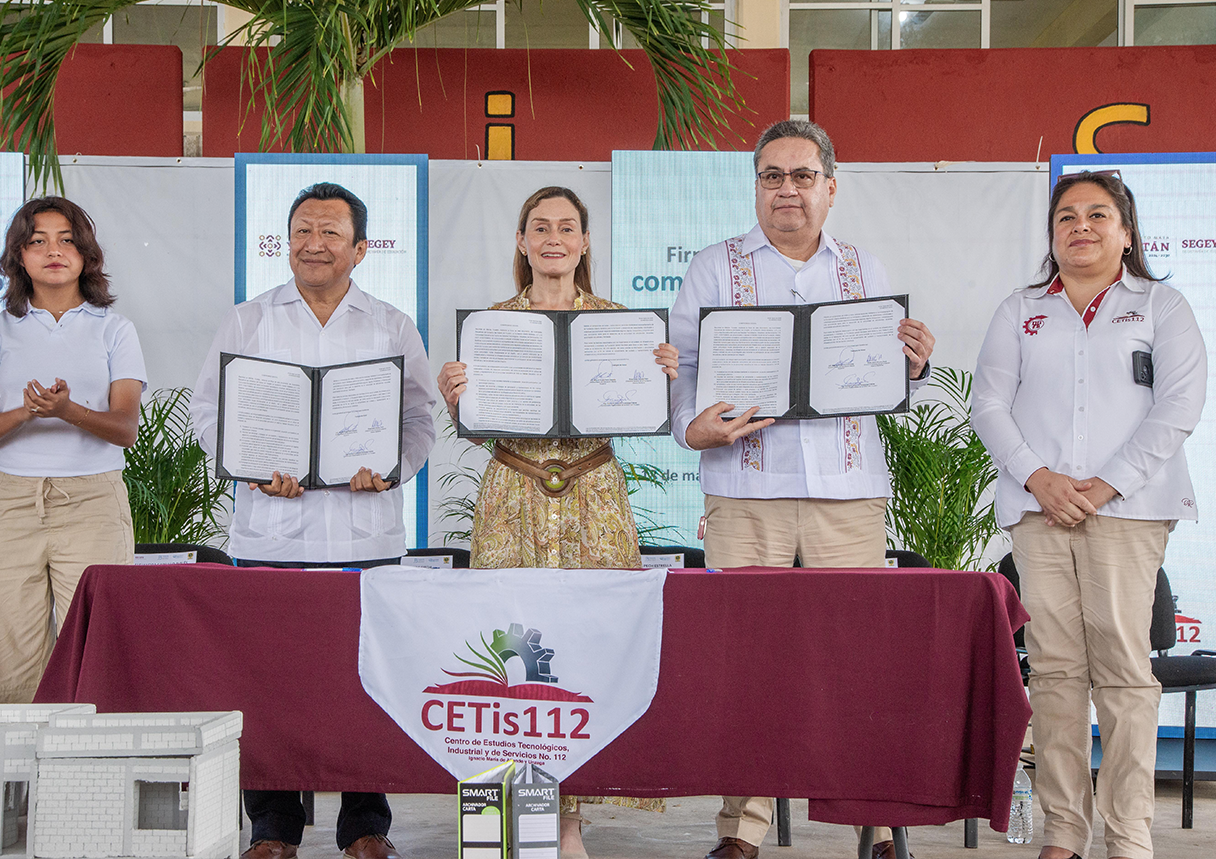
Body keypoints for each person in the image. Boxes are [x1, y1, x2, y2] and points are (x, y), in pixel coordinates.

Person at [669, 120, 935, 859]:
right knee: (747, 665)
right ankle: (741, 830)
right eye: (772, 176)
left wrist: (910, 365)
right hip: (743, 493)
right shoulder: (713, 267)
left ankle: (878, 826)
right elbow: (682, 378)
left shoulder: (865, 270)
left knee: (857, 663)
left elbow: (883, 375)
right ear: (756, 186)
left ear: (830, 187)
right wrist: (696, 430)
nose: (787, 189)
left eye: (801, 175)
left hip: (847, 494)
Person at [191, 182, 435, 859]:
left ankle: (364, 822)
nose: (314, 242)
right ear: (286, 241)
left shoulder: (390, 324)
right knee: (268, 680)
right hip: (271, 532)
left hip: (367, 534)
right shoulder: (247, 320)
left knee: (367, 679)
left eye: (331, 231)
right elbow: (207, 414)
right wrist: (247, 465)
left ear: (361, 248)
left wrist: (391, 469)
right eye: (303, 229)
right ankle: (272, 825)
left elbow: (418, 420)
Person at [436, 185, 677, 857]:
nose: (553, 237)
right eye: (539, 226)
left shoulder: (621, 323)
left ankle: (568, 821)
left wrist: (661, 376)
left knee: (582, 653)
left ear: (585, 242)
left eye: (567, 227)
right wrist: (457, 397)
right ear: (520, 241)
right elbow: (474, 427)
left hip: (591, 492)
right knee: (504, 653)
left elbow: (645, 412)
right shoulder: (491, 324)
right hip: (512, 488)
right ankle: (501, 816)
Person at [972, 171, 1205, 859]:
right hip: (1038, 513)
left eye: (1098, 215)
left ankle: (1129, 835)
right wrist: (1040, 479)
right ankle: (1064, 832)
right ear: (1052, 233)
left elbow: (1178, 408)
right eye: (1067, 216)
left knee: (1126, 671)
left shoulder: (1162, 306)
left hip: (1129, 513)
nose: (1081, 226)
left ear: (1127, 231)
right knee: (1054, 672)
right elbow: (988, 403)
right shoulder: (1020, 309)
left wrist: (1101, 487)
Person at [0, 196, 146, 705]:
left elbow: (125, 427)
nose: (54, 251)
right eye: (37, 240)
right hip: (9, 503)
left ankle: (89, 782)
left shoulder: (115, 329)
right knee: (11, 650)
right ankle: (18, 783)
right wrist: (26, 411)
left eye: (67, 239)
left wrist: (68, 411)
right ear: (18, 256)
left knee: (93, 646)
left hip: (93, 501)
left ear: (86, 254)